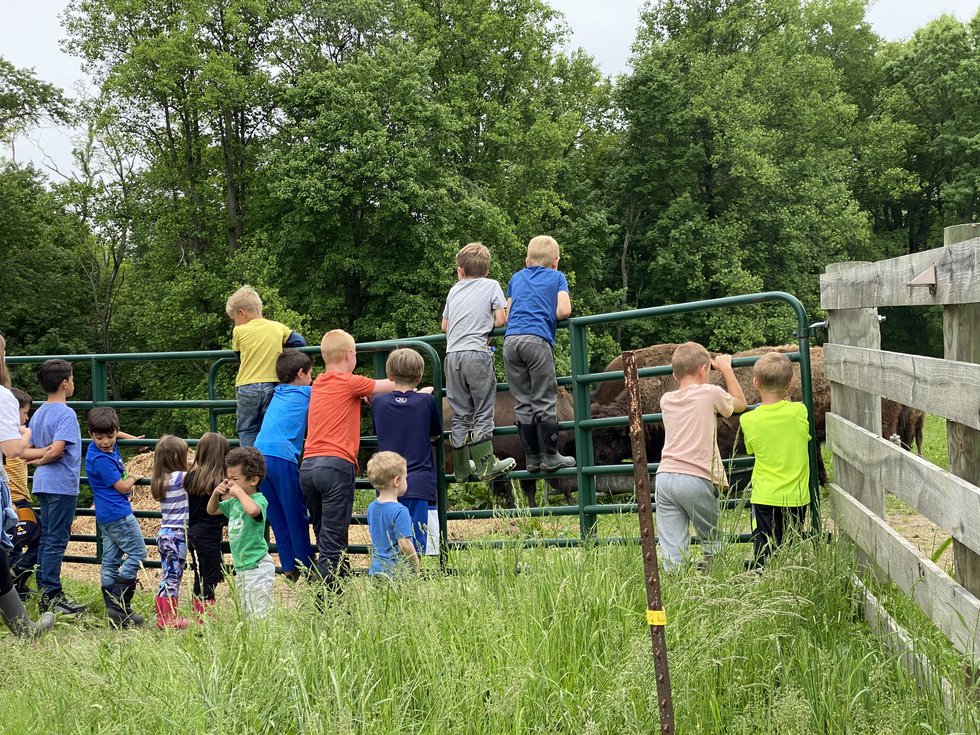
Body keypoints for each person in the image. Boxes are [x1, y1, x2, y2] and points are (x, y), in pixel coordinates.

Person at [300, 329, 397, 593]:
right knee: (333, 543)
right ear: (349, 354)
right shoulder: (350, 381)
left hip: (308, 466)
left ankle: (337, 597)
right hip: (335, 465)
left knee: (324, 535)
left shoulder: (318, 382)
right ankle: (325, 604)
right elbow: (392, 384)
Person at [655, 343, 747, 572]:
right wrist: (726, 368)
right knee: (712, 538)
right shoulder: (711, 393)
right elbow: (740, 404)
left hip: (665, 478)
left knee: (672, 545)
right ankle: (713, 580)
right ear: (704, 370)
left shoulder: (666, 399)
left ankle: (675, 586)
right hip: (696, 477)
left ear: (675, 375)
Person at [441, 242, 515, 481]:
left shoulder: (454, 290)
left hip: (452, 356)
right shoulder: (491, 285)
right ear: (486, 270)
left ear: (460, 270)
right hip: (477, 353)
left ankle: (462, 469)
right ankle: (486, 465)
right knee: (483, 410)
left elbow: (445, 326)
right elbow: (502, 319)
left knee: (460, 412)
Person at [19, 359, 86, 615]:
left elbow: (25, 451)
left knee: (48, 537)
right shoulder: (66, 414)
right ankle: (51, 594)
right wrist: (45, 455)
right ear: (65, 383)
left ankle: (32, 582)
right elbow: (57, 451)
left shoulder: (39, 414)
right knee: (56, 540)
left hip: (43, 484)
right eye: (72, 378)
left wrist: (38, 458)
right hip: (61, 486)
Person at [503, 235, 575, 473]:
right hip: (537, 340)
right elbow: (564, 310)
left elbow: (510, 312)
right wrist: (544, 314)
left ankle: (532, 458)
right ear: (556, 261)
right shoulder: (557, 277)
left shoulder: (516, 278)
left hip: (511, 342)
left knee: (522, 400)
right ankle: (551, 456)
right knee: (544, 398)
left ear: (526, 261)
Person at [0, 334, 56, 637]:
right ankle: (25, 629)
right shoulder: (3, 396)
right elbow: (12, 450)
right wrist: (24, 435)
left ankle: (25, 628)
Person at [739, 352, 811, 566]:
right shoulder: (799, 411)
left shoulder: (748, 419)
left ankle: (763, 577)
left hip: (765, 495)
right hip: (796, 496)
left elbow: (750, 450)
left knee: (763, 548)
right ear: (789, 383)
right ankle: (787, 578)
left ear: (755, 383)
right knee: (789, 545)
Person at [371, 348, 442, 554]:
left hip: (386, 483)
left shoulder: (379, 402)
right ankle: (414, 577)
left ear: (390, 376)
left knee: (388, 540)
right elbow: (435, 434)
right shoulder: (426, 401)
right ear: (419, 376)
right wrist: (421, 395)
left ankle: (391, 576)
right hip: (418, 482)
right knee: (415, 539)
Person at [254, 349, 316, 578]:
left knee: (277, 515)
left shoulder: (278, 392)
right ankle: (308, 567)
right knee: (296, 513)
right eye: (310, 373)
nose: (312, 378)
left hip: (259, 456)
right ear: (301, 373)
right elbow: (333, 391)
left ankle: (289, 566)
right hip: (282, 457)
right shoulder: (306, 393)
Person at [85, 406, 148, 627]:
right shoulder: (101, 459)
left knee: (110, 561)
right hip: (118, 513)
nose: (105, 441)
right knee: (139, 553)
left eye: (110, 436)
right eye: (99, 437)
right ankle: (120, 606)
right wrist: (134, 477)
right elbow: (122, 487)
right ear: (90, 434)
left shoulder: (105, 447)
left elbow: (116, 434)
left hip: (106, 514)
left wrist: (132, 439)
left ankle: (114, 611)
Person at [226, 285, 306, 448]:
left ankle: (248, 467)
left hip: (247, 386)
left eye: (234, 318)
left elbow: (238, 356)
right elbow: (300, 342)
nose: (235, 323)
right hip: (272, 384)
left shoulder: (239, 331)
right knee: (269, 428)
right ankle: (266, 465)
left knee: (247, 429)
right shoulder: (277, 327)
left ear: (242, 313)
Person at [207, 447, 274, 619]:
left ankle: (266, 641)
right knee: (247, 611)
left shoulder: (258, 499)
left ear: (253, 481)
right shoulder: (234, 503)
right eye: (228, 479)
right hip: (243, 566)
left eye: (234, 479)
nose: (230, 483)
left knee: (260, 613)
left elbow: (253, 511)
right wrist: (216, 493)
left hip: (258, 565)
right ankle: (254, 643)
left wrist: (238, 492)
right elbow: (212, 510)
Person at [184, 432, 229, 616]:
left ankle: (199, 612)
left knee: (200, 575)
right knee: (209, 577)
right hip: (210, 536)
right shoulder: (221, 482)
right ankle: (205, 617)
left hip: (193, 532)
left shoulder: (191, 477)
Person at [150, 435, 191, 629]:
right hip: (177, 536)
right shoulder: (180, 477)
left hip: (164, 532)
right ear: (176, 457)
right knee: (173, 577)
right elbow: (199, 471)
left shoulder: (161, 479)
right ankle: (166, 619)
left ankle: (163, 616)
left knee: (167, 575)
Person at [6, 388, 40, 600]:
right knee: (38, 537)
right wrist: (49, 451)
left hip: (19, 501)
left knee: (18, 544)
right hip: (16, 503)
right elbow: (24, 451)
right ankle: (14, 580)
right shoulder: (13, 437)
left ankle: (16, 584)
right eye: (24, 412)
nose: (26, 417)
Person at [365, 452, 420, 578]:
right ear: (397, 481)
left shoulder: (372, 507)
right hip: (396, 572)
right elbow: (404, 543)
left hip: (376, 569)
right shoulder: (400, 511)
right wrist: (416, 564)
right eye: (405, 478)